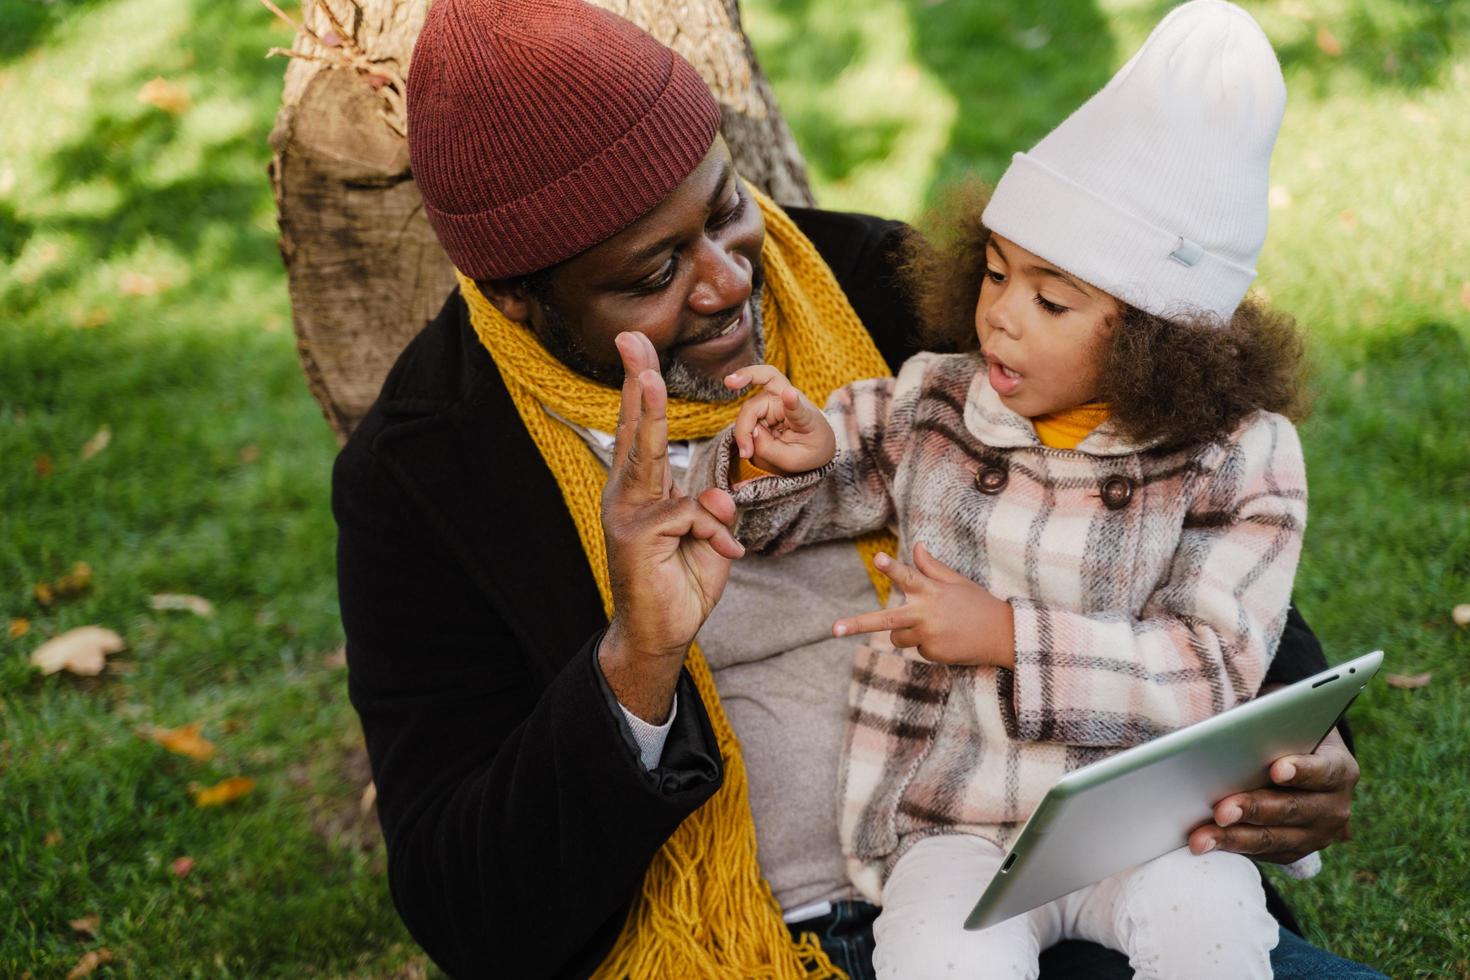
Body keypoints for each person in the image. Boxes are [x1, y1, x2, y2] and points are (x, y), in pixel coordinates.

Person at [331, 0, 1368, 976]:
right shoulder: (427, 473)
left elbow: (1177, 518)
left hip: (1073, 857)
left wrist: (1296, 742)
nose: (730, 279)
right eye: (654, 274)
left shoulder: (885, 282)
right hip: (765, 939)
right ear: (519, 300)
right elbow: (466, 905)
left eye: (727, 208)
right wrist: (634, 660)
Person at [701, 4, 1372, 977]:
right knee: (937, 958)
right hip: (955, 818)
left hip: (1144, 818)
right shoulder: (944, 392)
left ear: (1157, 336)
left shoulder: (1240, 454)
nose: (1002, 317)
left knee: (1212, 934)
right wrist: (792, 454)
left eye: (1052, 299)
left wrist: (1010, 635)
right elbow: (841, 474)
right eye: (998, 272)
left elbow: (1210, 667)